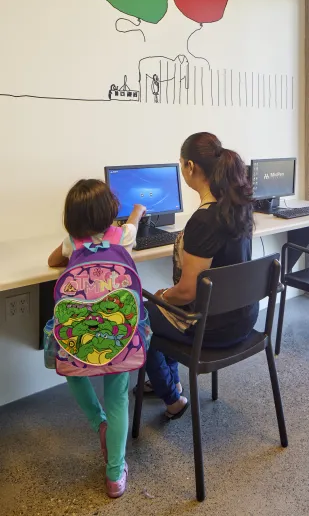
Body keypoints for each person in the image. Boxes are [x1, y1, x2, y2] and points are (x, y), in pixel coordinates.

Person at [144, 132, 254, 419]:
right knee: (161, 309)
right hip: (244, 319)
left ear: (190, 167)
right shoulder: (239, 209)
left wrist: (160, 296)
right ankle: (172, 381)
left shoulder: (204, 221)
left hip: (212, 329)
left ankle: (172, 398)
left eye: (181, 165)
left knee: (140, 314)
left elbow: (186, 293)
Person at [48, 179, 146, 498]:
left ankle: (97, 422)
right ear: (109, 212)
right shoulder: (122, 237)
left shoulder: (70, 244)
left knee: (71, 370)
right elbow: (131, 224)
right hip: (118, 335)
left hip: (81, 335)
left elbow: (52, 261)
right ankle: (115, 475)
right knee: (118, 397)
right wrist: (137, 210)